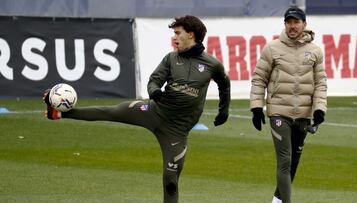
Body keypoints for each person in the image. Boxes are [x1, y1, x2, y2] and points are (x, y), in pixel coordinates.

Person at [43, 15, 230, 203]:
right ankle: (59, 113)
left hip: (176, 131)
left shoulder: (212, 65)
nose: (174, 37)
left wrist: (224, 110)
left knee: (171, 181)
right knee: (112, 112)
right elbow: (154, 80)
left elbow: (225, 84)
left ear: (191, 35)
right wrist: (154, 91)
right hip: (153, 112)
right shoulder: (171, 59)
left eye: (177, 33)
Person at [249, 7, 327, 203]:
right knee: (284, 161)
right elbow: (259, 79)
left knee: (293, 164)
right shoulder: (272, 48)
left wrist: (319, 110)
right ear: (284, 24)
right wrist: (257, 107)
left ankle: (277, 201)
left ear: (304, 24)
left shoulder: (315, 51)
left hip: (303, 115)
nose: (292, 26)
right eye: (289, 22)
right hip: (278, 113)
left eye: (296, 22)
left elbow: (320, 83)